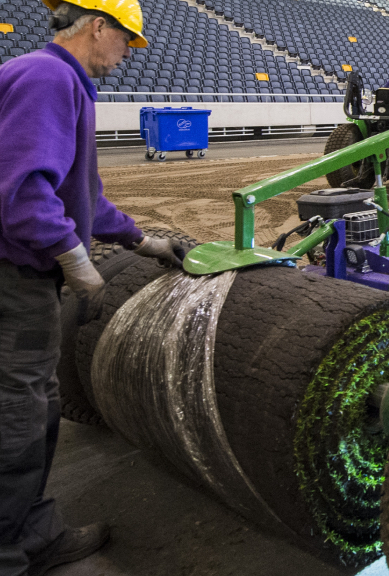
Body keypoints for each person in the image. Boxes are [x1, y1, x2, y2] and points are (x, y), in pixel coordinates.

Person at [0, 1, 185, 574]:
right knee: (17, 416)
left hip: (21, 275)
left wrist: (139, 240)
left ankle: (34, 533)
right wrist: (78, 263)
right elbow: (25, 191)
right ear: (97, 26)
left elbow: (80, 196)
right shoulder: (49, 77)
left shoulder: (52, 77)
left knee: (39, 403)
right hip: (14, 279)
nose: (128, 54)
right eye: (127, 41)